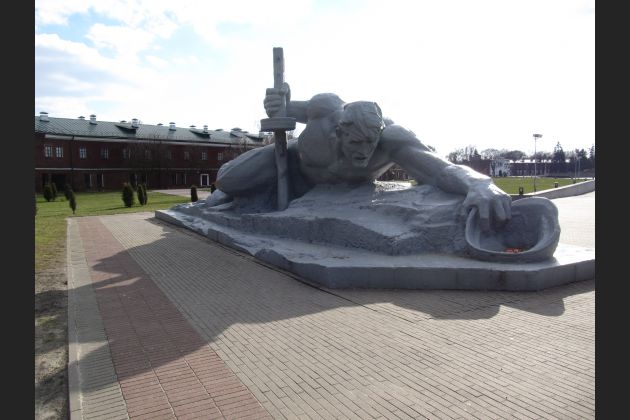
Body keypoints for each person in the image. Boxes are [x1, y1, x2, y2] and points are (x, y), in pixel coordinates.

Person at [210, 84, 512, 231]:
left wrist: (479, 184)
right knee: (229, 181)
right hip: (291, 166)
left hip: (330, 196)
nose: (364, 152)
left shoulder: (391, 138)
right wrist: (278, 101)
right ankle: (224, 198)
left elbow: (439, 169)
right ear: (339, 131)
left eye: (370, 143)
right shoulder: (323, 110)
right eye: (356, 142)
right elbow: (284, 109)